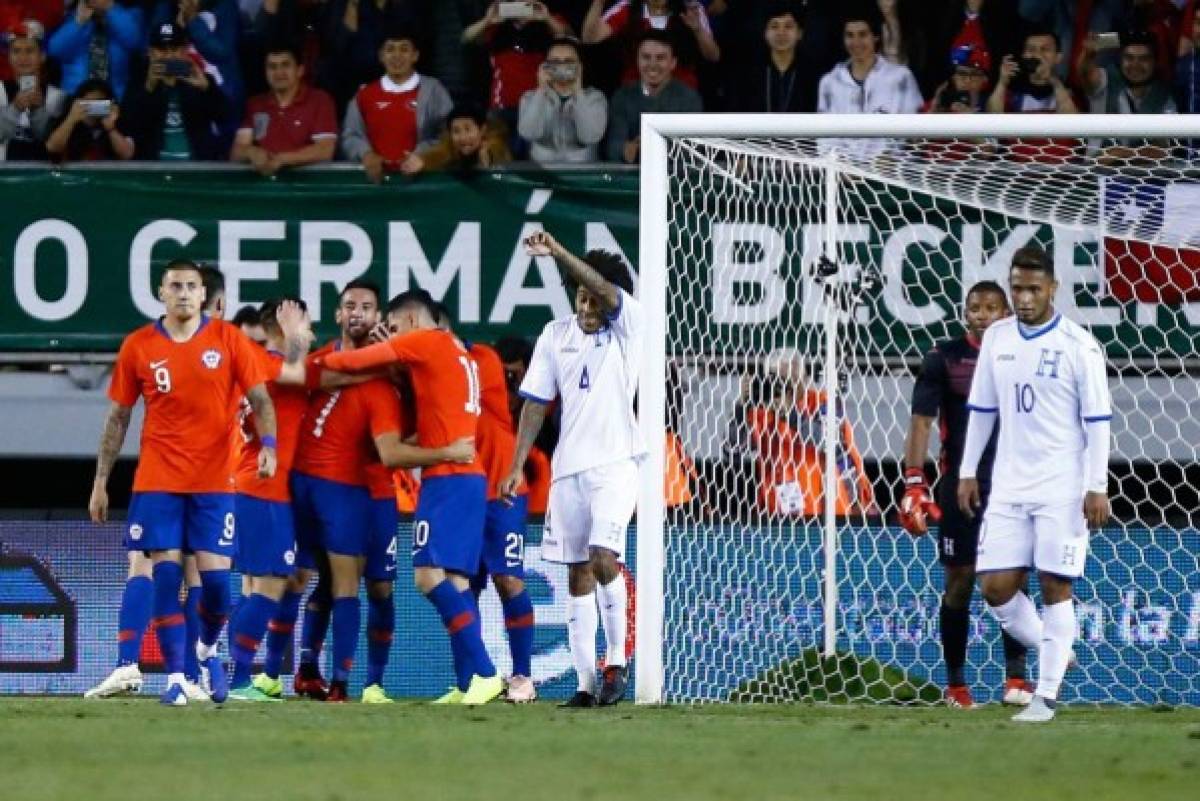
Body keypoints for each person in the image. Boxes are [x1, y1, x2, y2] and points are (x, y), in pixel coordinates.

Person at [267, 280, 474, 703]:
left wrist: (396, 370)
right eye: (349, 306)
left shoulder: (401, 371)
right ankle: (291, 672)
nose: (357, 312)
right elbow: (291, 378)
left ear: (381, 319)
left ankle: (371, 683)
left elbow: (421, 419)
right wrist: (296, 345)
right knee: (305, 578)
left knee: (378, 587)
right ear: (339, 315)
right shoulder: (328, 357)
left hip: (373, 491)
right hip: (310, 484)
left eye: (367, 306)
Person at [87, 258, 277, 706]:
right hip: (158, 480)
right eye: (176, 286)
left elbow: (261, 398)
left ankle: (205, 649)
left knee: (214, 586)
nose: (185, 293)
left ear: (203, 293)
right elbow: (118, 416)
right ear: (161, 292)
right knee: (164, 572)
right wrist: (100, 479)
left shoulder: (228, 339)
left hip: (214, 482)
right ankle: (175, 677)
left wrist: (269, 445)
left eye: (192, 286)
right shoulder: (138, 346)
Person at [313, 288, 505, 706]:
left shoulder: (425, 341)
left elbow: (351, 360)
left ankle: (488, 673)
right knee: (456, 582)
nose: (391, 336)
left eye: (394, 329)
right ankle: (468, 681)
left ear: (413, 322)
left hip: (448, 479)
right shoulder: (457, 350)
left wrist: (310, 363)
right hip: (468, 479)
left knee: (426, 577)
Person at [958, 245, 1113, 723]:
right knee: (995, 588)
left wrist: (1097, 484)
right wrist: (967, 470)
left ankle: (1044, 696)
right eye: (1017, 289)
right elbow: (982, 410)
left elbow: (1098, 421)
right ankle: (1055, 647)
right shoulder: (999, 339)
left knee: (1054, 585)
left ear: (1052, 289)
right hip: (1007, 485)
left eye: (1033, 289)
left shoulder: (1079, 346)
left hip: (1061, 486)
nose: (1024, 298)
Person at [499, 230, 645, 707]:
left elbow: (606, 289)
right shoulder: (554, 336)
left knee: (605, 555)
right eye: (579, 297)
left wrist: (559, 252)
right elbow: (536, 405)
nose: (587, 307)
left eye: (595, 300)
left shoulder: (630, 327)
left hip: (616, 464)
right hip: (568, 472)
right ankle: (585, 685)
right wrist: (517, 464)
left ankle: (616, 663)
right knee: (578, 574)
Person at [902, 280, 1033, 709]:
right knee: (959, 581)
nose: (982, 314)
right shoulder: (944, 358)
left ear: (1006, 313)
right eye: (975, 307)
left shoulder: (1024, 356)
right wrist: (913, 481)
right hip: (959, 485)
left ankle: (1018, 680)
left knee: (1012, 579)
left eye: (991, 307)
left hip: (1013, 483)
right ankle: (957, 687)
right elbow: (922, 422)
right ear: (965, 312)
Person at [431, 303, 537, 703]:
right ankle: (469, 683)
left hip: (503, 488)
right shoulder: (423, 371)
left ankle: (523, 678)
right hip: (464, 492)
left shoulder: (481, 359)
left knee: (508, 579)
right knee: (464, 586)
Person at [223, 297, 312, 702]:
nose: (311, 331)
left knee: (256, 585)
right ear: (283, 324)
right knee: (272, 583)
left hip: (257, 486)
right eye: (306, 322)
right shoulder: (266, 363)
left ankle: (225, 672)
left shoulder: (257, 364)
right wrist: (296, 337)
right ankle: (238, 679)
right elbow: (297, 372)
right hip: (262, 487)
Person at [744, 348, 877, 519]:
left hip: (829, 513)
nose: (782, 386)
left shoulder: (824, 402)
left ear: (804, 379)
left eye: (787, 380)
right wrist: (742, 407)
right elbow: (732, 451)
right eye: (775, 379)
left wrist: (789, 414)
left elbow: (830, 442)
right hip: (777, 517)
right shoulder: (761, 412)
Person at [340, 26, 452, 183]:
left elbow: (448, 135)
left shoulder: (434, 91)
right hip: (376, 186)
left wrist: (423, 155)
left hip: (422, 185)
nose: (397, 56)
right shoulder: (364, 95)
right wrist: (366, 154)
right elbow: (350, 135)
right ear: (381, 56)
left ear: (415, 55)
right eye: (390, 49)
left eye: (404, 49)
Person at [462, 0, 572, 154]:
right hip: (501, 106)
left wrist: (546, 18)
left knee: (535, 160)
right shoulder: (497, 25)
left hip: (538, 105)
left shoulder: (545, 21)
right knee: (498, 157)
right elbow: (467, 37)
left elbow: (569, 37)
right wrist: (487, 20)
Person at [119, 21, 230, 161]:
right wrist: (149, 89)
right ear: (150, 52)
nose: (169, 56)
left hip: (197, 170)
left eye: (174, 49)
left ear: (185, 51)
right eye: (162, 49)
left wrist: (207, 88)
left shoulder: (200, 80)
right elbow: (128, 128)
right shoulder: (139, 84)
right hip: (153, 172)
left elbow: (225, 117)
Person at [231, 43, 336, 176]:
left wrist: (282, 159)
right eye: (272, 67)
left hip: (306, 187)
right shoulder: (255, 104)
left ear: (300, 70)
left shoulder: (320, 100)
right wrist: (251, 152)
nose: (279, 72)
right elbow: (236, 151)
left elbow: (325, 150)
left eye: (285, 65)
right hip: (264, 186)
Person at [604, 30, 701, 164]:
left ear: (673, 63)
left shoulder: (689, 99)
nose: (652, 64)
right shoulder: (622, 97)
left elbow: (693, 151)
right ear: (637, 60)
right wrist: (628, 149)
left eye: (660, 58)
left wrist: (652, 145)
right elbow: (614, 147)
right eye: (646, 57)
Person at [582, 0, 720, 92]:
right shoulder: (627, 8)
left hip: (681, 93)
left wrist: (698, 30)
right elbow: (590, 38)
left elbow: (713, 56)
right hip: (636, 92)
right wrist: (599, 2)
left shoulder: (691, 8)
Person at [517, 36, 607, 164]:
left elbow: (590, 137)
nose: (562, 67)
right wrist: (541, 90)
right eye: (555, 62)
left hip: (583, 173)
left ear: (579, 66)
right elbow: (528, 133)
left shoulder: (594, 97)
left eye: (568, 61)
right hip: (542, 173)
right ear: (546, 66)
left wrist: (578, 92)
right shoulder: (530, 97)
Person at [816, 6, 923, 114]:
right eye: (850, 35)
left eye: (862, 35)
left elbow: (915, 124)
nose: (856, 42)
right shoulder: (829, 82)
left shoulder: (901, 77)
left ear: (876, 37)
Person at [728, 0, 817, 113]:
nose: (781, 33)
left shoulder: (812, 74)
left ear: (799, 33)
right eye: (774, 26)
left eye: (788, 26)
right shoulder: (748, 72)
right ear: (765, 33)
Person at [47, 0, 142, 99]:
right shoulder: (72, 17)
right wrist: (79, 22)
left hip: (115, 99)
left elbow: (134, 40)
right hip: (75, 98)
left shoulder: (128, 13)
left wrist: (110, 9)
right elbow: (55, 50)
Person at [0, 19, 65, 161]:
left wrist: (38, 111)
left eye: (29, 51)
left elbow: (53, 143)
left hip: (44, 177)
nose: (23, 58)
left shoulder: (57, 97)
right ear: (9, 57)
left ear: (42, 56)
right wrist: (15, 108)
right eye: (16, 51)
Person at [1077, 29, 1175, 114]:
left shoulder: (1163, 97)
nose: (1135, 65)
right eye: (1129, 58)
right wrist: (1088, 55)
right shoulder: (1105, 81)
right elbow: (1085, 73)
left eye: (1144, 59)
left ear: (1154, 63)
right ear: (1120, 60)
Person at [986, 28, 1079, 114]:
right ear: (1023, 56)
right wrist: (1002, 83)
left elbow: (1073, 124)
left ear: (1058, 58)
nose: (1037, 54)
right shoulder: (1013, 92)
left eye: (1045, 49)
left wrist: (1054, 81)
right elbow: (993, 120)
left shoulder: (1069, 91)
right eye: (1031, 49)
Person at [44, 78, 133, 162]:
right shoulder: (66, 120)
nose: (92, 107)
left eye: (98, 102)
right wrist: (71, 120)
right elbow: (52, 148)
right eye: (87, 103)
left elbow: (127, 154)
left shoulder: (118, 121)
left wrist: (111, 128)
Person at [412, 104, 512, 173]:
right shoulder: (448, 146)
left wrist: (488, 160)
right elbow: (436, 155)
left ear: (482, 129)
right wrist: (422, 162)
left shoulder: (495, 146)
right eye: (456, 131)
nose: (463, 137)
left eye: (468, 129)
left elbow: (502, 178)